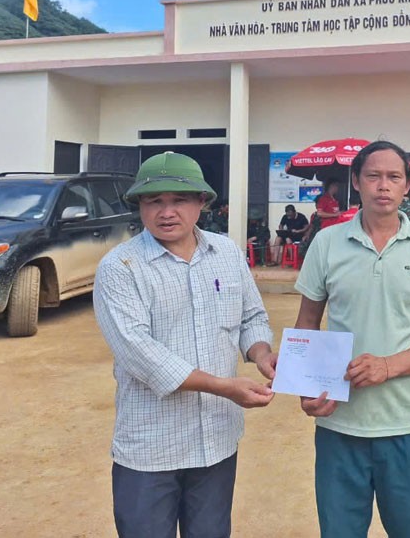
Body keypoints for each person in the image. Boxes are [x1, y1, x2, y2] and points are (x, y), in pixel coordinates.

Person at [94, 152, 276, 538]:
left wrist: (262, 353)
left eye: (179, 200)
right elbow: (139, 353)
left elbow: (251, 318)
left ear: (201, 203)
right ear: (139, 206)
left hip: (217, 440)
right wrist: (223, 387)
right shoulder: (121, 267)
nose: (166, 212)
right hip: (151, 446)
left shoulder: (226, 253)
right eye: (153, 201)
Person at [294, 140, 410, 538]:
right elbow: (306, 324)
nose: (383, 186)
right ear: (356, 181)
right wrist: (307, 387)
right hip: (340, 427)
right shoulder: (327, 243)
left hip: (407, 424)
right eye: (373, 176)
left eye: (393, 177)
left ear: (406, 186)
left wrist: (387, 367)